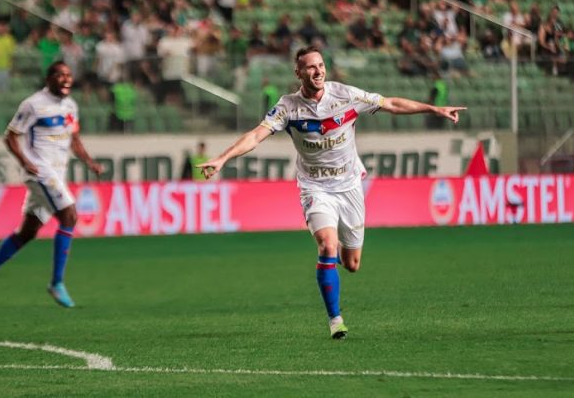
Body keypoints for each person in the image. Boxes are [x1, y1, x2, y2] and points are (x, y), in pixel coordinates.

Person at [196, 46, 465, 339]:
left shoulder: (345, 95)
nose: (318, 71)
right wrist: (223, 158)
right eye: (310, 67)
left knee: (352, 264)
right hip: (314, 187)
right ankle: (335, 319)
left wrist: (434, 109)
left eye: (321, 65)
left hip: (349, 185)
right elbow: (255, 136)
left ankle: (334, 261)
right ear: (298, 73)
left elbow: (390, 103)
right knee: (327, 245)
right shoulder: (288, 107)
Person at [0, 61, 104, 308]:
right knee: (69, 216)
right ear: (49, 79)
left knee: (28, 232)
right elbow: (11, 136)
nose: (66, 79)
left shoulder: (71, 106)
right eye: (60, 75)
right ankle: (57, 282)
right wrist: (24, 161)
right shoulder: (34, 104)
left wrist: (90, 162)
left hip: (57, 173)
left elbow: (74, 139)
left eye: (69, 75)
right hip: (40, 171)